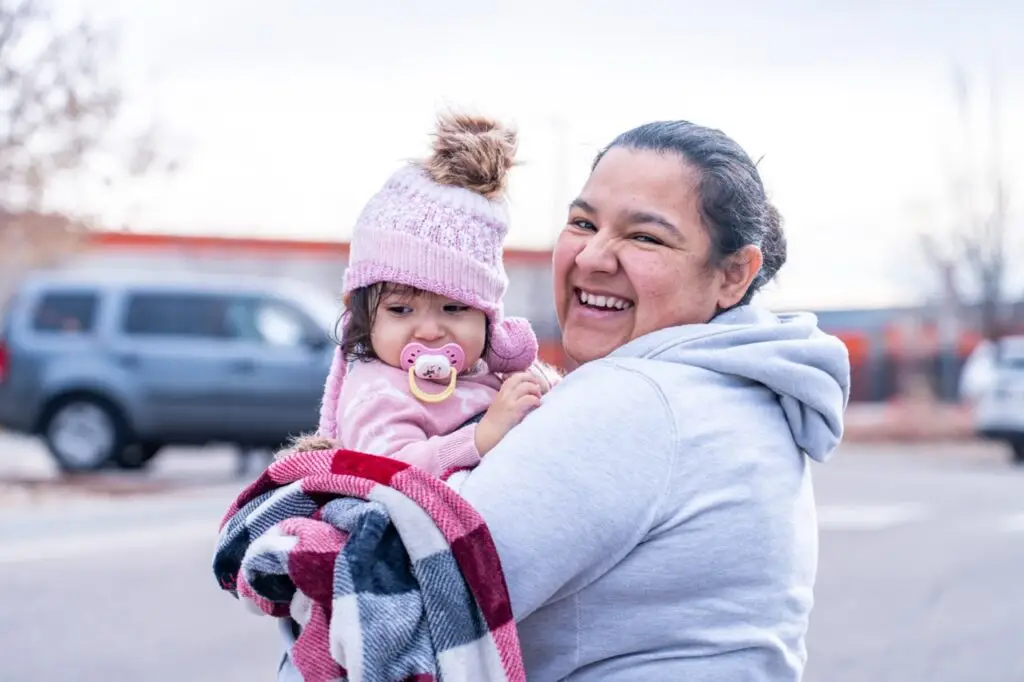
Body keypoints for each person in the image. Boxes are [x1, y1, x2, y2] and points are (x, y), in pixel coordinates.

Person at [443, 120, 851, 680]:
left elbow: (412, 588)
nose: (593, 257)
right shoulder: (734, 390)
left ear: (734, 275)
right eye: (583, 223)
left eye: (645, 238)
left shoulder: (637, 399)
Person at [286, 111, 555, 478]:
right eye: (400, 310)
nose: (429, 331)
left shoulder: (491, 375)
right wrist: (481, 436)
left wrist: (542, 390)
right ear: (362, 317)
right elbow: (388, 472)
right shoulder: (378, 394)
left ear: (489, 317)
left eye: (454, 307)